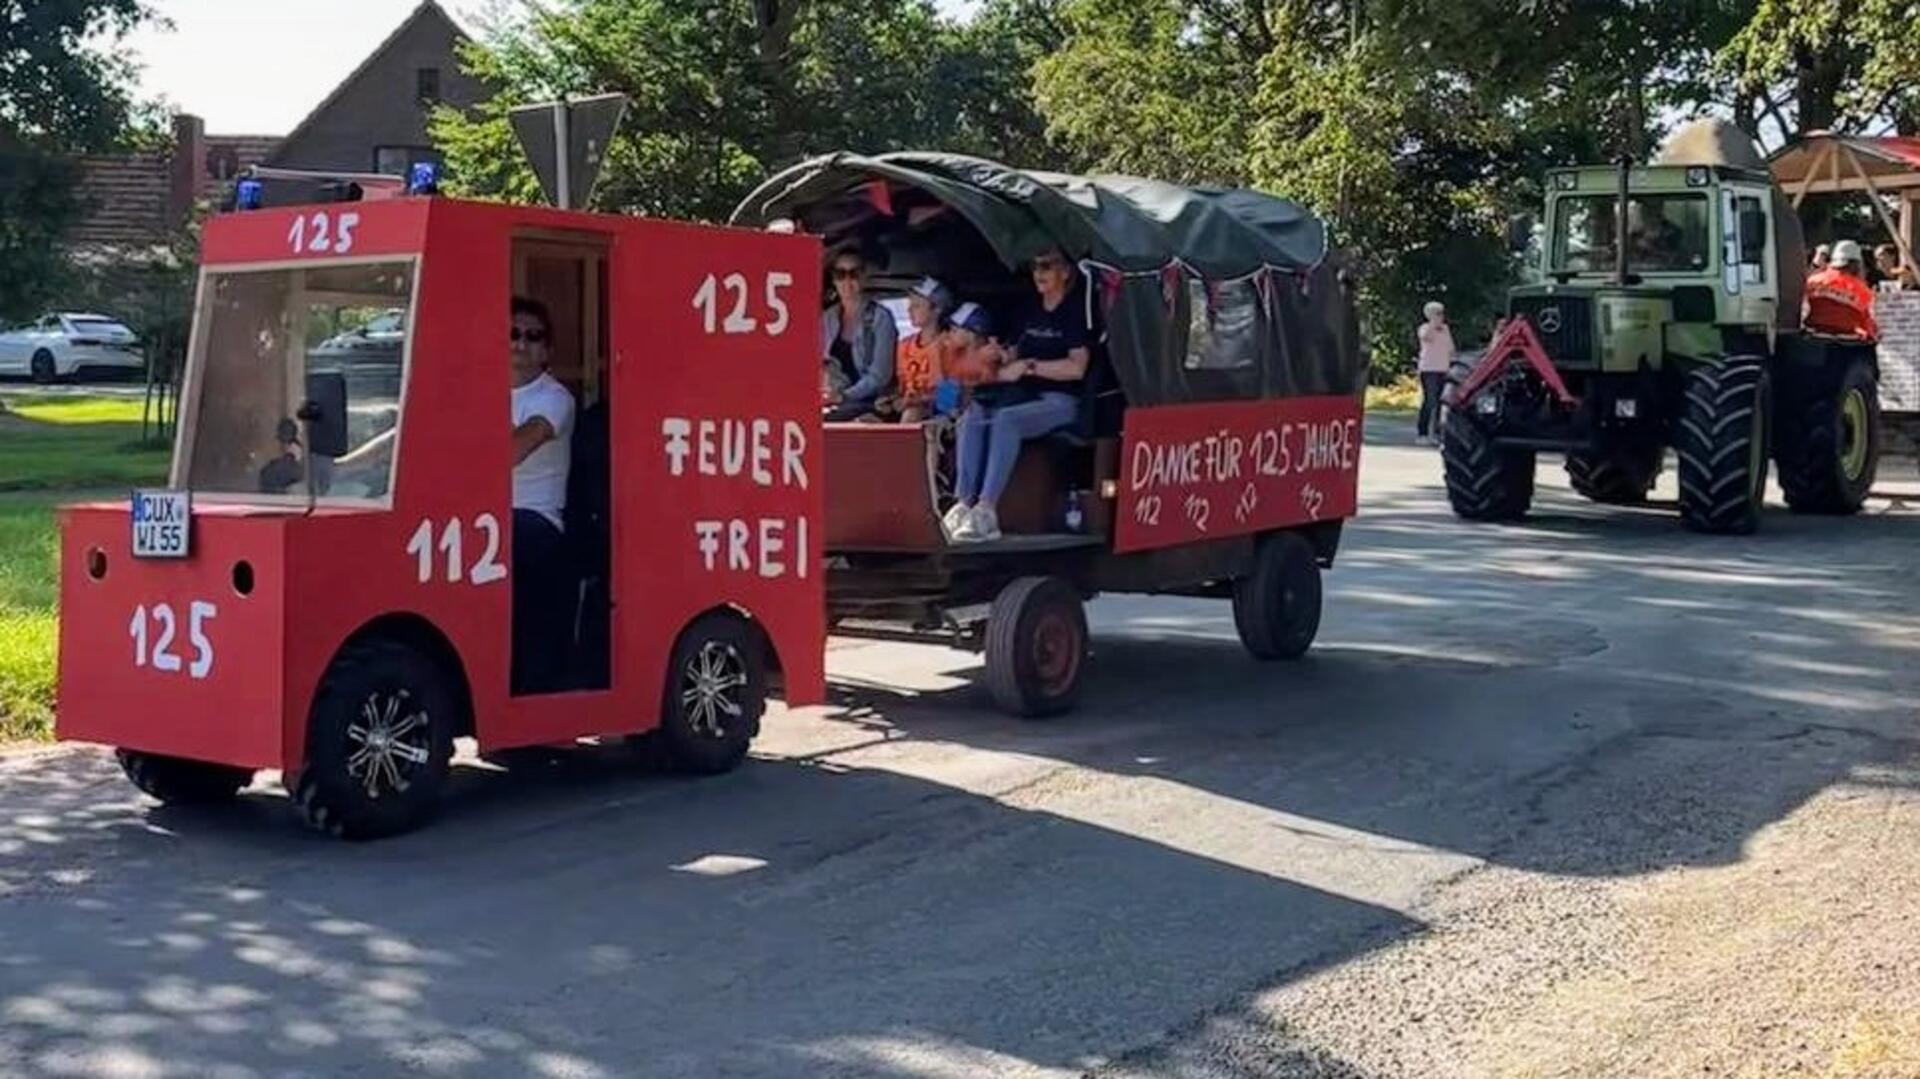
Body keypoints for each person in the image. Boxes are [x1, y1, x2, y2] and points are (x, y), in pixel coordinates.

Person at [945, 250, 1091, 542]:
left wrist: (1029, 367)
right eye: (1036, 266)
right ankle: (963, 504)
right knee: (972, 414)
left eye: (1047, 266)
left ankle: (987, 510)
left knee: (1006, 420)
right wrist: (999, 355)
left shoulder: (1073, 313)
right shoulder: (1029, 309)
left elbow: (1077, 367)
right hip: (1021, 394)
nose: (1039, 272)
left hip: (1062, 399)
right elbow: (1015, 348)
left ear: (1065, 272)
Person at [508, 297, 577, 693]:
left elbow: (516, 449)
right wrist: (348, 465)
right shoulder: (475, 387)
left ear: (547, 350)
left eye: (533, 336)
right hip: (478, 518)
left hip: (536, 520)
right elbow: (401, 437)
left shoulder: (554, 398)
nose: (521, 343)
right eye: (512, 333)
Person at [820, 248, 899, 422]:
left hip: (872, 402)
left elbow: (880, 377)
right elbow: (820, 363)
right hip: (833, 398)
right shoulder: (827, 318)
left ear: (864, 277)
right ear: (833, 280)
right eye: (840, 274)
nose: (847, 281)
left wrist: (844, 396)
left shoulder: (881, 317)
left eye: (853, 274)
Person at [891, 276, 952, 424]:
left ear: (937, 309)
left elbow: (951, 397)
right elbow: (900, 387)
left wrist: (918, 400)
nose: (909, 310)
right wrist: (891, 401)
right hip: (906, 408)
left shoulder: (948, 345)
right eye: (910, 304)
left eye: (917, 305)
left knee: (912, 415)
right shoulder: (904, 345)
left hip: (936, 413)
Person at [1804, 240, 1879, 341]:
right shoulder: (1859, 288)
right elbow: (1867, 321)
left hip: (1813, 338)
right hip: (1844, 343)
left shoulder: (1812, 281)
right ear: (1855, 264)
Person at [1415, 301, 1454, 446]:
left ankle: (1437, 433)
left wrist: (1451, 363)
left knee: (1439, 402)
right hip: (1428, 369)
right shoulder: (1424, 328)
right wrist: (1433, 323)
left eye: (1441, 313)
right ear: (1430, 315)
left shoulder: (1445, 329)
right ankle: (1422, 432)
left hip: (1443, 369)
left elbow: (1450, 348)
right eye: (1437, 313)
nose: (1441, 316)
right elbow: (1426, 337)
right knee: (1430, 401)